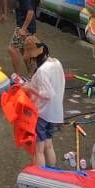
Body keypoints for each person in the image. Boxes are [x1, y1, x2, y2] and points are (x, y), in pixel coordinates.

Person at [23, 37, 64, 168]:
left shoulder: (42, 71)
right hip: (54, 112)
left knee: (38, 150)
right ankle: (52, 173)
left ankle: (40, 177)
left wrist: (29, 88)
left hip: (42, 113)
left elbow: (47, 94)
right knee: (49, 145)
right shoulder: (56, 62)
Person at [6, 0, 39, 75]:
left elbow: (30, 12)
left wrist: (23, 28)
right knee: (23, 50)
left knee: (12, 48)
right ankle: (31, 73)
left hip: (25, 26)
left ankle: (17, 74)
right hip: (26, 25)